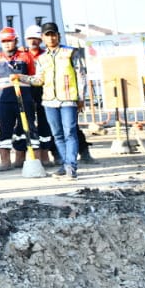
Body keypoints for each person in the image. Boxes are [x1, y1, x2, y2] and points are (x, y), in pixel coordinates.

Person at [32, 22, 89, 179]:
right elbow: (38, 80)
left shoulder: (71, 53)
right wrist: (21, 78)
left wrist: (81, 97)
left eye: (53, 34)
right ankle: (65, 164)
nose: (51, 38)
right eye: (47, 35)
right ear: (43, 38)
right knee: (57, 134)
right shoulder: (41, 58)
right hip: (49, 100)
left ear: (58, 35)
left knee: (70, 132)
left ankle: (71, 166)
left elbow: (81, 75)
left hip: (68, 99)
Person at [0, 27, 39, 172]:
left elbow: (33, 77)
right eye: (4, 41)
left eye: (9, 41)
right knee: (5, 130)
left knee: (29, 128)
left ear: (16, 40)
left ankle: (31, 160)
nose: (7, 44)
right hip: (5, 100)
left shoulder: (26, 56)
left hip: (24, 98)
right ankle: (5, 162)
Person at [24, 24, 55, 165]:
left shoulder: (46, 54)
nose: (33, 41)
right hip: (27, 90)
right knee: (27, 123)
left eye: (35, 38)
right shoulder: (22, 55)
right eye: (30, 38)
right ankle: (31, 156)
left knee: (44, 122)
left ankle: (45, 155)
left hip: (43, 90)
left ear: (40, 39)